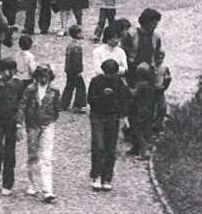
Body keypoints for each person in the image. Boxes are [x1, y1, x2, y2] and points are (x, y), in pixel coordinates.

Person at [86, 58, 132, 191]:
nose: (109, 76)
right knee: (98, 146)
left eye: (112, 73)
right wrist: (102, 95)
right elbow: (90, 100)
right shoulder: (96, 81)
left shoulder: (120, 83)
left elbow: (125, 101)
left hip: (113, 117)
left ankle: (107, 178)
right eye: (107, 73)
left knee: (110, 148)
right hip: (98, 117)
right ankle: (96, 175)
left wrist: (123, 116)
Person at [22, 64, 62, 202]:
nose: (43, 79)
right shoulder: (30, 90)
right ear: (36, 77)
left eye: (46, 76)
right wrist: (20, 123)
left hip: (47, 124)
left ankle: (47, 189)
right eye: (41, 76)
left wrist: (50, 119)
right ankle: (32, 183)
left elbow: (57, 108)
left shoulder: (54, 91)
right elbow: (22, 106)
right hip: (32, 125)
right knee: (32, 155)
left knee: (46, 157)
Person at [0, 56, 25, 195]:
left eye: (10, 70)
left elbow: (21, 104)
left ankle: (8, 183)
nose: (7, 73)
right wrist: (2, 84)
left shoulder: (19, 84)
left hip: (12, 120)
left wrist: (19, 123)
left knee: (10, 152)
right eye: (5, 70)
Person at [130, 8, 166, 134]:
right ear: (146, 22)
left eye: (156, 23)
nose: (155, 26)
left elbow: (156, 57)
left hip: (149, 75)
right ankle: (133, 133)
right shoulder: (132, 34)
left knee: (148, 105)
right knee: (133, 104)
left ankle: (146, 133)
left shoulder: (156, 37)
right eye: (153, 23)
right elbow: (124, 54)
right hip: (133, 74)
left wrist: (156, 74)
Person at [126, 62, 159, 158]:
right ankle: (135, 148)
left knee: (137, 130)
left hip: (140, 109)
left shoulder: (141, 84)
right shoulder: (150, 84)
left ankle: (144, 150)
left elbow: (133, 94)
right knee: (141, 128)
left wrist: (126, 86)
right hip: (148, 108)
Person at [61, 24, 88, 113]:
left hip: (69, 69)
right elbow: (77, 60)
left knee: (69, 85)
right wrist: (79, 71)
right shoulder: (77, 46)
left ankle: (63, 104)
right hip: (75, 70)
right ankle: (78, 105)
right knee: (80, 86)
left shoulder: (70, 44)